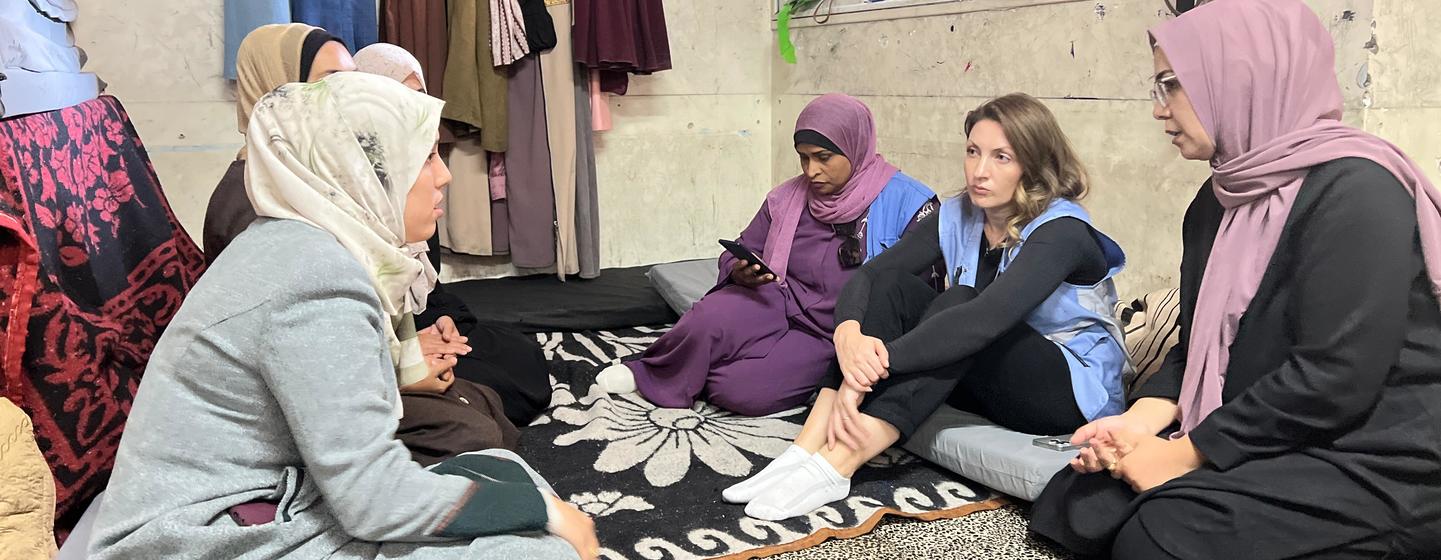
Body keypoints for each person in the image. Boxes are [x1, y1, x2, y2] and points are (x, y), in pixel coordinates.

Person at [88, 73, 597, 560]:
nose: (443, 174)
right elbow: (372, 502)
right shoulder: (316, 278)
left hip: (262, 499)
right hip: (201, 537)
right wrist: (541, 513)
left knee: (501, 466)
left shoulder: (302, 243)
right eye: (424, 158)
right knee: (532, 545)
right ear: (367, 173)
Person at [1028, 1, 1441, 558]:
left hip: (1371, 451)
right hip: (1271, 427)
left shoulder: (1358, 191)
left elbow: (1335, 376)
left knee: (1158, 533)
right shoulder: (1215, 201)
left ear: (1243, 76)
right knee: (1076, 500)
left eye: (1171, 85)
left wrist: (1185, 454)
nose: (1158, 110)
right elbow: (1194, 342)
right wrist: (1136, 424)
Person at [726, 93, 1130, 522]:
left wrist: (871, 367)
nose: (979, 171)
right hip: (984, 375)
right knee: (896, 287)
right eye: (973, 151)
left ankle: (837, 463)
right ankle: (804, 449)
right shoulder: (960, 212)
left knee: (961, 302)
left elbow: (984, 320)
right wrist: (846, 334)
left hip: (1064, 393)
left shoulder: (1063, 231)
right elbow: (870, 276)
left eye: (1001, 157)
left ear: (1033, 164)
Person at [595, 93, 941, 416]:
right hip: (775, 301)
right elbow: (745, 245)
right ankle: (647, 372)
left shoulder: (911, 205)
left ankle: (701, 370)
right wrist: (740, 271)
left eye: (823, 158)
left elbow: (916, 294)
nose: (811, 171)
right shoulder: (786, 197)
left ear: (857, 147)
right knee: (707, 318)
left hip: (834, 333)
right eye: (803, 157)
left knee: (735, 390)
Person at [354, 42, 522, 464]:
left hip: (394, 346)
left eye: (417, 96)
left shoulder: (403, 190)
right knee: (481, 420)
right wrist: (403, 367)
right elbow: (327, 385)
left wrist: (418, 341)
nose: (444, 174)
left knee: (515, 364)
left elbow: (411, 301)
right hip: (358, 388)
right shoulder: (318, 242)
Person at [203, 23, 355, 263]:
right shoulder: (252, 198)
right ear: (276, 87)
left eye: (353, 82)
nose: (352, 96)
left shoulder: (316, 172)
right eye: (331, 81)